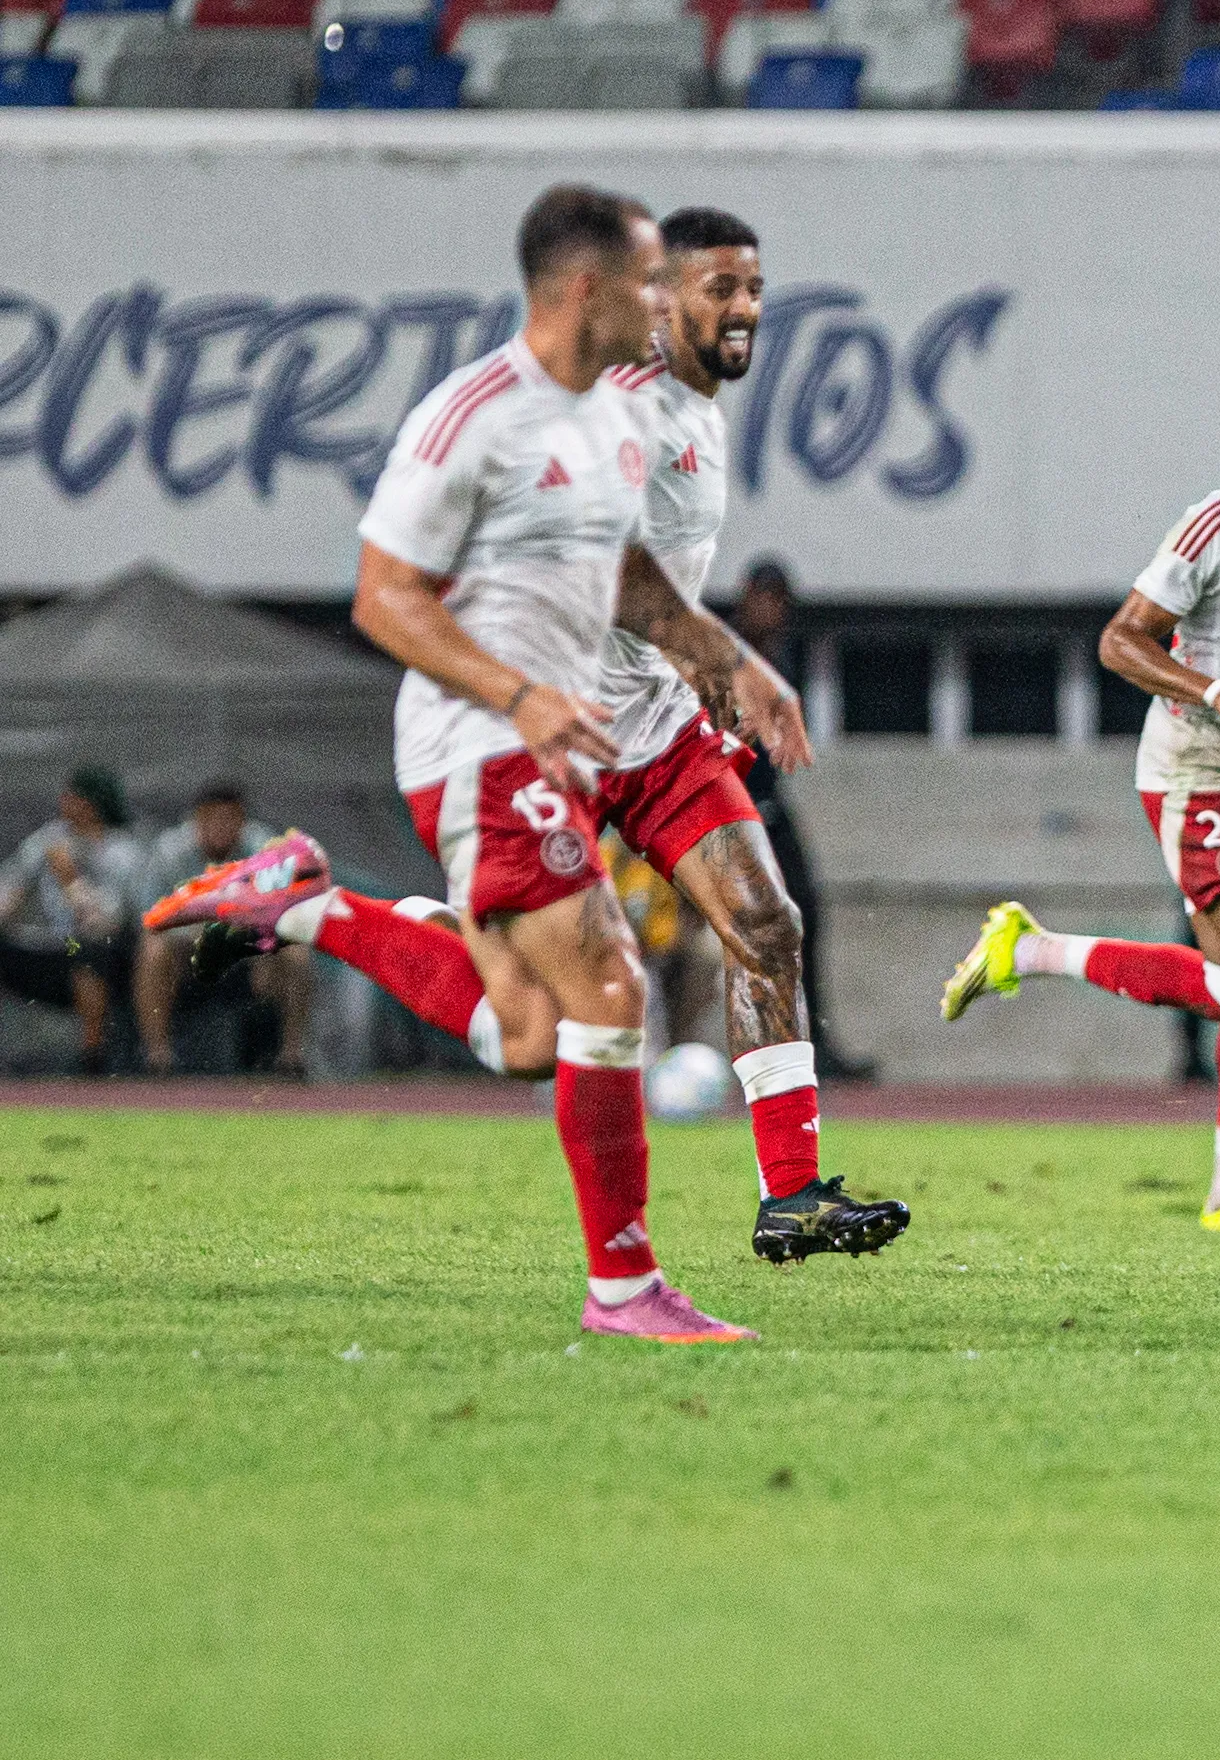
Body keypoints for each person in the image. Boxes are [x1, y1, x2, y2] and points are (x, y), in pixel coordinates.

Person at [154, 186, 807, 1342]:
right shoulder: (471, 421)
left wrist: (726, 658)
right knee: (614, 986)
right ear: (587, 291)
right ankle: (624, 1290)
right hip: (480, 736)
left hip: (562, 734)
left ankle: (304, 904)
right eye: (651, 279)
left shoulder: (612, 420)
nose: (663, 303)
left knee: (527, 1039)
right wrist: (516, 694)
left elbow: (632, 574)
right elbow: (383, 599)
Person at [937, 358, 1220, 1232]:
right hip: (1193, 767)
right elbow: (1120, 642)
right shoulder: (1217, 523)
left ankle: (1034, 957)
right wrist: (1214, 691)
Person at [726, 558, 865, 1076]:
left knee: (801, 914)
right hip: (718, 805)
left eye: (778, 601)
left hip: (768, 807)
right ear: (745, 599)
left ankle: (810, 1042)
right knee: (741, 930)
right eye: (763, 598)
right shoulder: (723, 653)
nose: (770, 611)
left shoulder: (783, 658)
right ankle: (752, 1050)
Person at [128, 783, 310, 1078]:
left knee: (296, 954)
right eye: (212, 819)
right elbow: (150, 915)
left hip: (249, 950)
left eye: (230, 819)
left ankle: (291, 1056)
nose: (221, 828)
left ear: (243, 821)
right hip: (187, 950)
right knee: (152, 950)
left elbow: (287, 911)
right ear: (197, 820)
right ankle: (157, 1058)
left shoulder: (265, 851)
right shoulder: (170, 852)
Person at [0, 768, 143, 1073]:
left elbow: (107, 923)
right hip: (50, 948)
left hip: (107, 955)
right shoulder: (49, 839)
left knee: (89, 948)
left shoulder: (123, 851)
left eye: (74, 797)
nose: (64, 803)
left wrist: (71, 882)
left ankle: (92, 1055)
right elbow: (10, 887)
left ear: (93, 804)